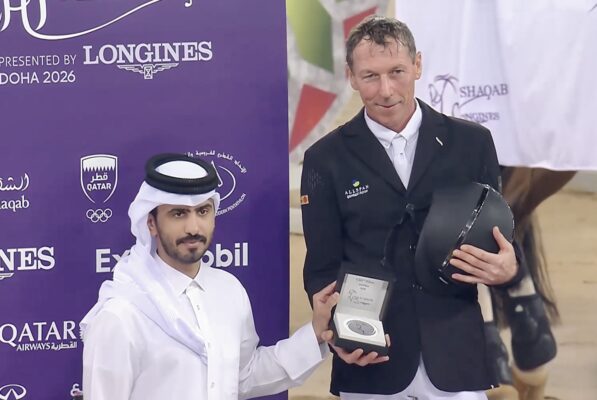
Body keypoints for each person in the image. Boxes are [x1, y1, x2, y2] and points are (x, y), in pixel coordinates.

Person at [300, 16, 524, 399]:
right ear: (351, 77)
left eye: (397, 72)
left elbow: (499, 239)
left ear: (417, 65)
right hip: (370, 360)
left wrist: (510, 269)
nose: (386, 90)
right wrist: (338, 336)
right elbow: (322, 266)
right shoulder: (325, 159)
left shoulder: (472, 144)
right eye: (370, 76)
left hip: (455, 358)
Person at [81, 153, 338, 400]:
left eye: (203, 211)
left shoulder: (228, 290)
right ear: (151, 223)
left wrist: (315, 333)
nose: (193, 227)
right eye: (178, 214)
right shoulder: (122, 314)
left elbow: (243, 377)